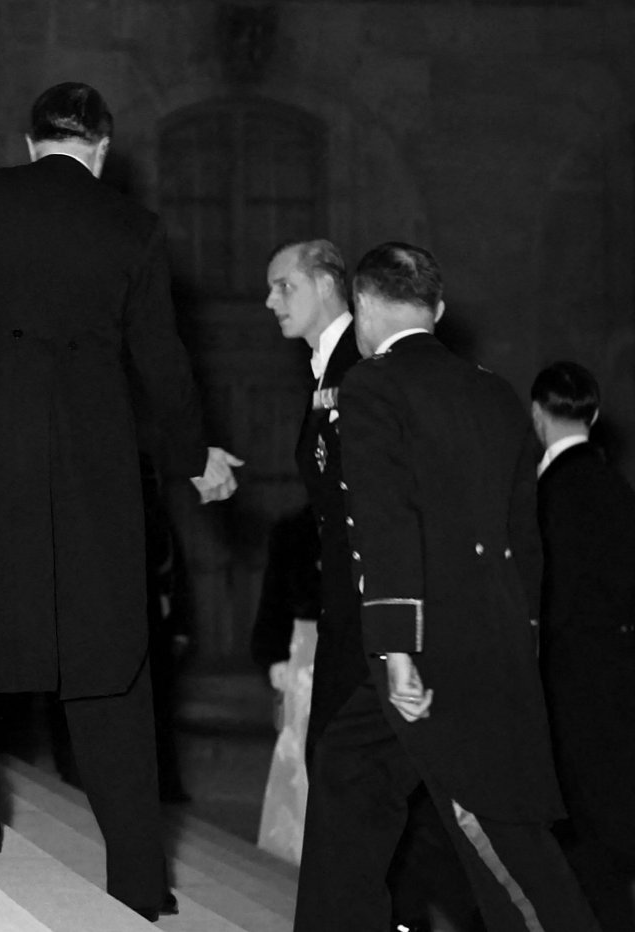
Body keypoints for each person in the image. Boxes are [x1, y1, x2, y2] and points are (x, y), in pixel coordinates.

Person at [0, 82, 240, 921]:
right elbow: (163, 361)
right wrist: (193, 457)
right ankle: (139, 878)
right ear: (102, 149)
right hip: (89, 456)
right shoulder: (132, 228)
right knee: (111, 656)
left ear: (29, 141)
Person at [294, 241, 601, 932]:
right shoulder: (494, 391)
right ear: (436, 308)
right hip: (491, 631)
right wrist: (518, 638)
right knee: (348, 774)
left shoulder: (374, 386)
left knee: (493, 828)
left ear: (364, 305)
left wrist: (398, 644)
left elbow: (387, 520)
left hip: (430, 647)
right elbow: (527, 537)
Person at [531, 361, 635, 932]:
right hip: (617, 677)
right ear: (593, 415)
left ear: (536, 414)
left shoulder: (541, 497)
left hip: (560, 683)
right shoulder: (619, 491)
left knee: (573, 833)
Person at [249, 505, 320, 865]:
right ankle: (299, 854)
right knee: (301, 749)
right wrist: (273, 654)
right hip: (306, 647)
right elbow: (274, 594)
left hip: (362, 644)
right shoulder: (295, 529)